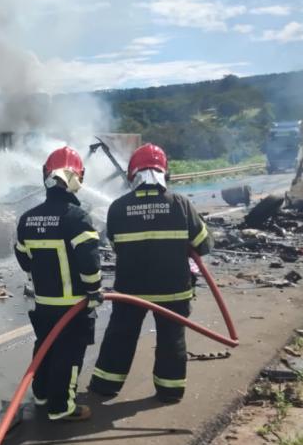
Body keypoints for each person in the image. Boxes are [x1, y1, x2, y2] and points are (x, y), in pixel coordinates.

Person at [89, 143, 212, 404]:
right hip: (174, 290)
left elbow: (115, 245)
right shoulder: (180, 203)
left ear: (133, 174)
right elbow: (204, 245)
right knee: (172, 339)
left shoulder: (118, 207)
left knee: (120, 336)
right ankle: (170, 391)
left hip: (131, 290)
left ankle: (105, 386)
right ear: (163, 173)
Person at [14, 146, 102, 421]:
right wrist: (95, 290)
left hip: (44, 304)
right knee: (69, 354)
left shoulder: (27, 219)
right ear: (77, 177)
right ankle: (62, 407)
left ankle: (41, 396)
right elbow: (89, 263)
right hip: (73, 305)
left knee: (45, 347)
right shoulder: (77, 218)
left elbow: (24, 259)